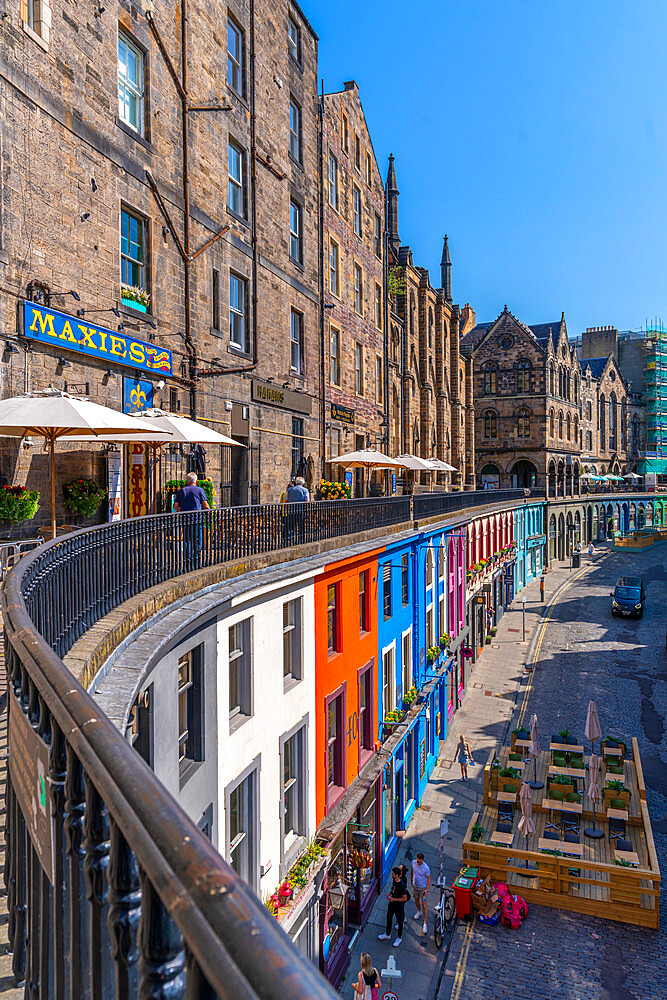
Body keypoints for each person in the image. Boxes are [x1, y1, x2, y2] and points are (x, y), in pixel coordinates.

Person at [173, 473, 210, 570]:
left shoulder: (182, 490)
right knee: (197, 540)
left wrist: (182, 511)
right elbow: (206, 506)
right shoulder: (200, 490)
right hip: (197, 519)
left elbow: (175, 506)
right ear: (196, 481)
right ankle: (196, 562)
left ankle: (186, 563)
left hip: (186, 519)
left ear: (187, 481)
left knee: (187, 540)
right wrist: (208, 512)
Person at [378, 866, 410, 947]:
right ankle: (387, 934)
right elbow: (393, 888)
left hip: (399, 906)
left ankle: (399, 938)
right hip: (392, 903)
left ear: (396, 875)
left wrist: (393, 899)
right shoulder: (394, 880)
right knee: (389, 917)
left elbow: (404, 898)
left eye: (393, 873)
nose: (391, 874)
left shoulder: (402, 885)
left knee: (400, 921)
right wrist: (389, 893)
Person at [411, 852, 431, 934]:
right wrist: (411, 880)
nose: (418, 863)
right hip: (415, 886)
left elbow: (429, 879)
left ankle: (425, 924)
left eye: (420, 862)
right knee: (416, 900)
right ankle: (419, 911)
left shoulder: (426, 868)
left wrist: (427, 889)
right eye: (417, 861)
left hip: (423, 887)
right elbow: (412, 870)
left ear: (423, 860)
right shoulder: (413, 862)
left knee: (424, 905)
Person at [286, 476, 310, 543]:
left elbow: (286, 500)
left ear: (296, 482)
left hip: (291, 510)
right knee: (301, 525)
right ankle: (301, 539)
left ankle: (290, 539)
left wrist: (287, 508)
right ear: (303, 483)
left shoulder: (290, 490)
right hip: (301, 510)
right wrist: (307, 510)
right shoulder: (305, 490)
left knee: (291, 525)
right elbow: (306, 501)